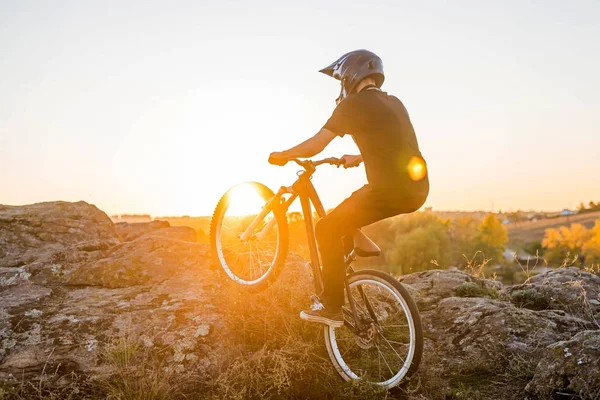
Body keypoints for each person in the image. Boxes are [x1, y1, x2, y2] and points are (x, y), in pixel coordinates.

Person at [268, 49, 429, 327]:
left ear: (349, 76)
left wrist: (284, 154)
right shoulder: (394, 102)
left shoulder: (352, 106)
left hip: (387, 189)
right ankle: (353, 246)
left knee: (326, 229)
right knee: (344, 213)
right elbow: (398, 144)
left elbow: (316, 144)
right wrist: (360, 156)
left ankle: (331, 306)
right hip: (416, 189)